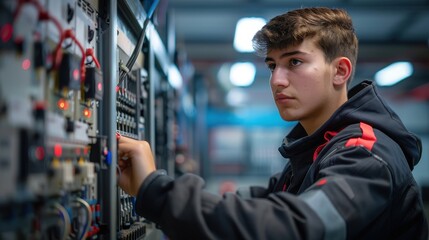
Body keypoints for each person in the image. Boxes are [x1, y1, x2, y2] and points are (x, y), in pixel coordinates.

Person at [117, 7, 428, 239]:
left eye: (294, 62)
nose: (277, 80)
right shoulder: (315, 149)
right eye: (272, 66)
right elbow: (259, 203)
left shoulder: (366, 154)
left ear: (340, 71)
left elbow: (295, 227)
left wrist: (155, 191)